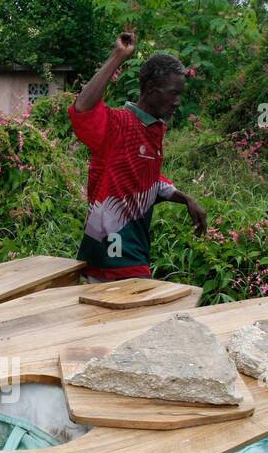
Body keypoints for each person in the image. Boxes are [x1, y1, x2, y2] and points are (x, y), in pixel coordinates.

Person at [69, 31, 206, 283]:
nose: (177, 102)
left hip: (134, 253)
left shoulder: (153, 130)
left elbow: (148, 178)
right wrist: (117, 57)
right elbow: (82, 110)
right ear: (151, 90)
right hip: (111, 257)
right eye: (172, 93)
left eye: (180, 94)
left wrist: (186, 198)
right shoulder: (119, 125)